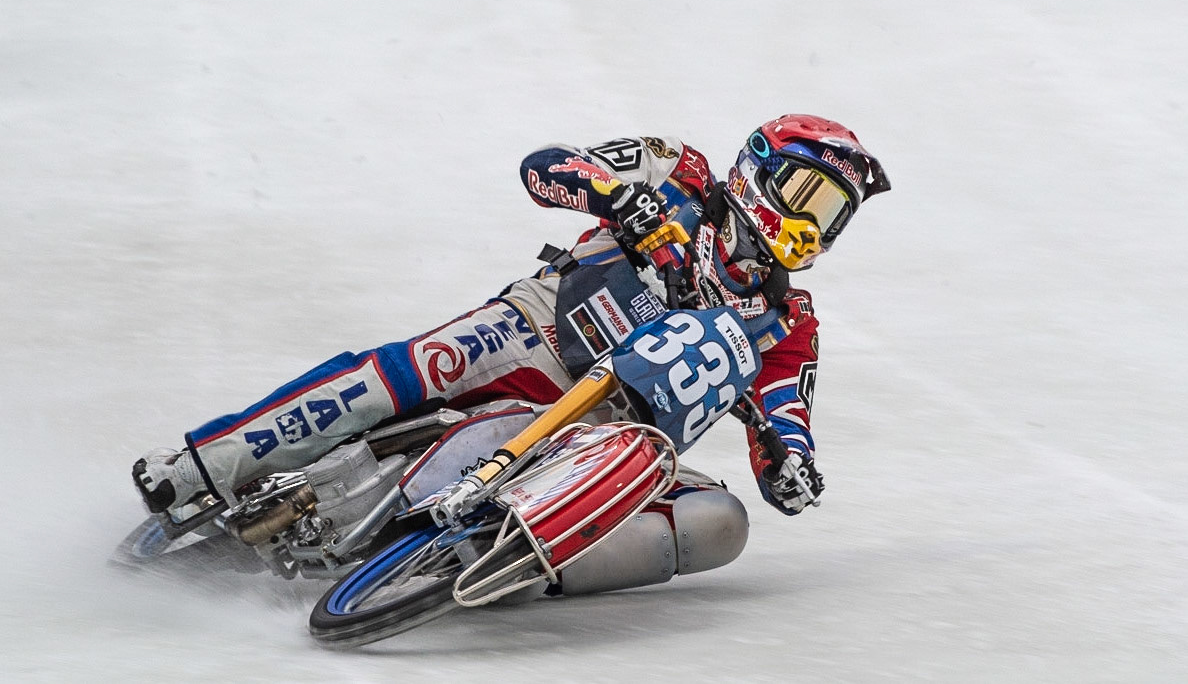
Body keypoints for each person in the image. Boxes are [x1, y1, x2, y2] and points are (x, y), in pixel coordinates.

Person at [132, 115, 889, 594]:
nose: (813, 222)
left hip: (615, 431)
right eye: (807, 192)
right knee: (422, 365)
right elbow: (544, 165)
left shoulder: (790, 321)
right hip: (539, 332)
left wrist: (789, 464)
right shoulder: (678, 170)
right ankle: (199, 463)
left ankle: (487, 566)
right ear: (757, 169)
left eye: (833, 214)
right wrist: (615, 197)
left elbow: (787, 429)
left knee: (718, 522)